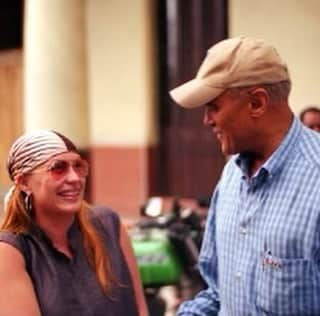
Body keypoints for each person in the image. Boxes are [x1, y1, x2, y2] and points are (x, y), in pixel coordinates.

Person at [169, 36, 320, 315]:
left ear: (257, 103)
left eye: (213, 106)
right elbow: (218, 293)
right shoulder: (230, 176)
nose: (207, 120)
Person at [0, 129, 148, 316]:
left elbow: (141, 310)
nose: (74, 178)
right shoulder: (12, 251)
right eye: (58, 168)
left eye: (78, 166)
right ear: (23, 183)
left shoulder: (108, 225)